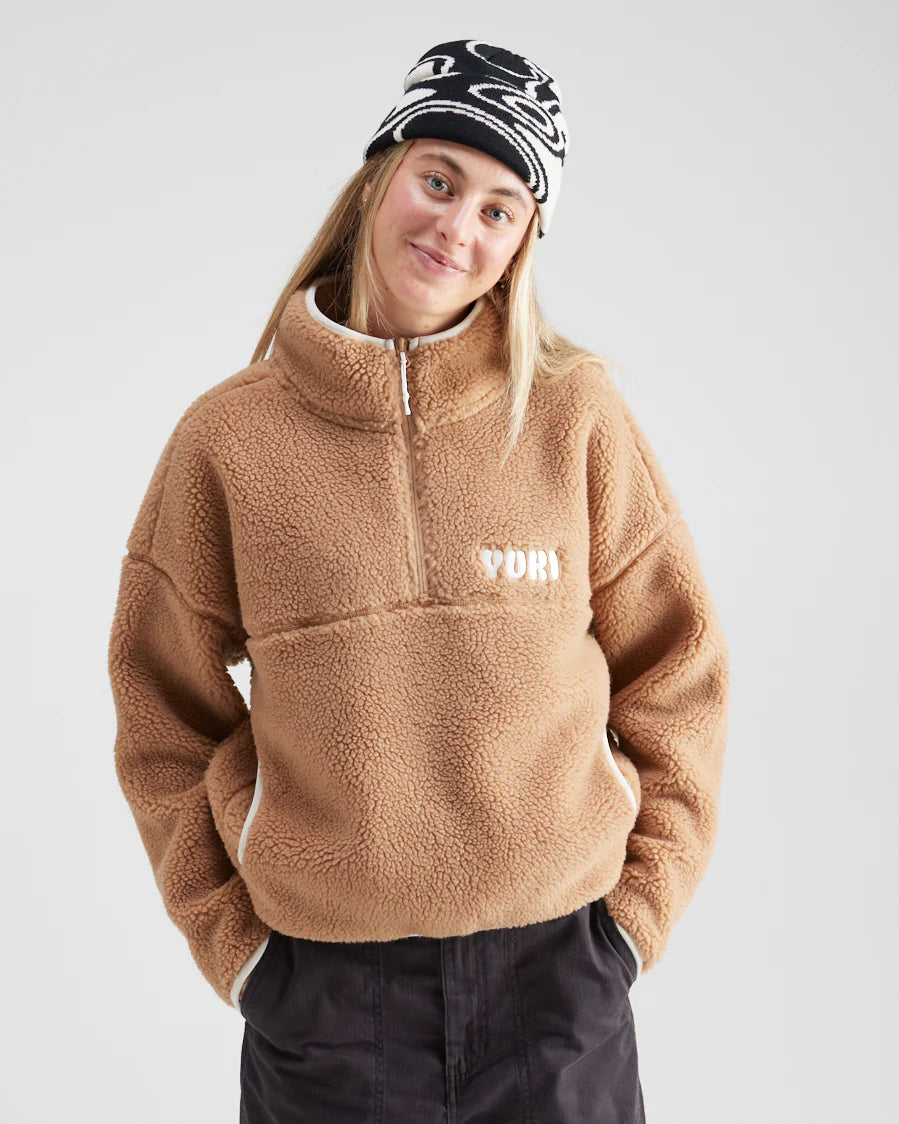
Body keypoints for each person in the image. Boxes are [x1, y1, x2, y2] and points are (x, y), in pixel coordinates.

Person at [107, 38, 730, 1123]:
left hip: (557, 984)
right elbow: (158, 706)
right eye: (438, 180)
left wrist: (631, 921)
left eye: (498, 208)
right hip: (326, 1003)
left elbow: (677, 669)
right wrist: (239, 949)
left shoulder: (573, 417)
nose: (456, 228)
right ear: (377, 179)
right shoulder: (229, 441)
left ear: (523, 241)